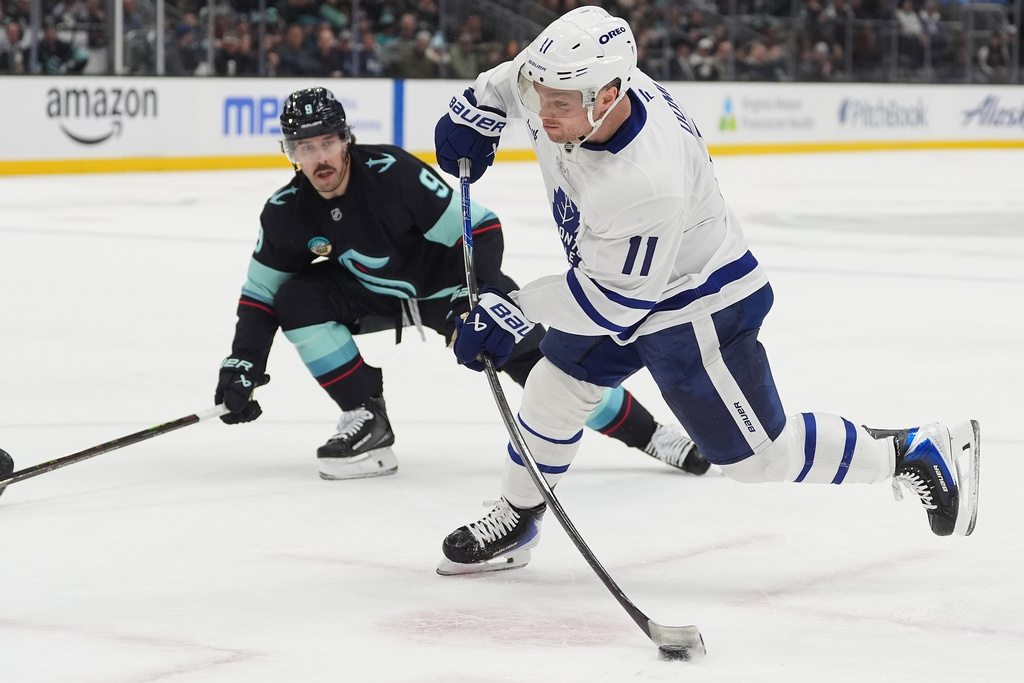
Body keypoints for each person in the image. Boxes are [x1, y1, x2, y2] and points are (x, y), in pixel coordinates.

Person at [433, 6, 980, 575]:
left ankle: (913, 450)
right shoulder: (574, 77)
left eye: (559, 104)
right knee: (554, 385)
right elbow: (519, 76)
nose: (541, 113)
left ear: (610, 95)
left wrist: (513, 311)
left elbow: (613, 303)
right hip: (621, 281)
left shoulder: (643, 180)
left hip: (693, 306)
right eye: (538, 95)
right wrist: (481, 103)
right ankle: (519, 516)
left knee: (759, 460)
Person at [214, 86, 710, 482]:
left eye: (326, 142)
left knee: (549, 370)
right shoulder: (286, 211)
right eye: (305, 148)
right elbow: (259, 297)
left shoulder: (392, 175)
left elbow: (480, 226)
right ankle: (366, 417)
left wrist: (480, 296)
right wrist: (242, 364)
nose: (318, 158)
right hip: (371, 296)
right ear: (290, 153)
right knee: (294, 298)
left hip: (451, 287)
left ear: (345, 139)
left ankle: (651, 435)